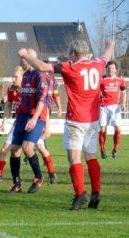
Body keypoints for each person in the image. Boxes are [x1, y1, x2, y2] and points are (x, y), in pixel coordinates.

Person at [19, 39, 115, 210]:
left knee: (74, 158)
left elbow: (42, 66)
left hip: (76, 120)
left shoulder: (71, 66)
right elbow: (107, 56)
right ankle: (96, 192)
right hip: (93, 119)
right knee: (91, 156)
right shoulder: (98, 64)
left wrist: (26, 56)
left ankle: (80, 194)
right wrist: (110, 44)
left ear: (75, 53)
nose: (70, 55)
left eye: (71, 53)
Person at [7, 48, 49, 194]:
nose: (21, 61)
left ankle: (39, 176)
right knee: (14, 149)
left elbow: (43, 100)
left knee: (27, 147)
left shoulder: (40, 76)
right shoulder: (25, 76)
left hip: (36, 117)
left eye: (23, 59)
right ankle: (17, 184)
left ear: (31, 59)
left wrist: (35, 118)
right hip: (22, 117)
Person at [0, 66, 23, 182]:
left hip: (31, 123)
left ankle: (48, 173)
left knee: (38, 148)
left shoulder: (28, 89)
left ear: (22, 77)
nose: (13, 79)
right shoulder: (10, 89)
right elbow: (8, 105)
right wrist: (4, 122)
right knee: (5, 149)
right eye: (12, 76)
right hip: (18, 123)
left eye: (16, 77)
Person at [99, 60, 126, 159]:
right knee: (102, 129)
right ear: (106, 69)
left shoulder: (120, 80)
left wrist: (123, 102)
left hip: (116, 107)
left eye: (113, 68)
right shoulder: (101, 80)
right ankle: (102, 149)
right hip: (103, 107)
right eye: (109, 68)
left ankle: (115, 150)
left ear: (116, 70)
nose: (111, 70)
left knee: (118, 129)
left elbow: (123, 92)